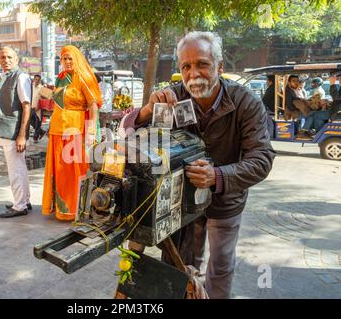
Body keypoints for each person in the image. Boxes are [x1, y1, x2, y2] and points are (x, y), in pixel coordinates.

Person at [121, 31, 275, 298]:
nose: (194, 73)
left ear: (220, 66)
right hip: (181, 201)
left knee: (221, 265)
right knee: (180, 263)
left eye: (202, 63)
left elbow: (261, 160)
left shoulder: (245, 102)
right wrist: (147, 110)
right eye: (186, 66)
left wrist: (217, 176)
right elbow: (128, 133)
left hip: (225, 200)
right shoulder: (172, 97)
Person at [42, 45, 102, 221]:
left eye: (70, 58)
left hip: (75, 130)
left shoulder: (83, 77)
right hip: (57, 130)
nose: (67, 62)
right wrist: (42, 91)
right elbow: (58, 100)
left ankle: (77, 208)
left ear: (76, 59)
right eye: (64, 59)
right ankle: (62, 209)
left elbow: (93, 104)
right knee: (59, 171)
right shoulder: (61, 78)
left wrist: (91, 130)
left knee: (74, 171)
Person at [0, 46, 32, 218]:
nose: (5, 60)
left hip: (14, 132)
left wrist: (22, 135)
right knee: (19, 168)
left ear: (16, 59)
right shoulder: (6, 76)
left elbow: (27, 106)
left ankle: (19, 206)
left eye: (9, 57)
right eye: (2, 57)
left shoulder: (20, 76)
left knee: (15, 170)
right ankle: (24, 200)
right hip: (8, 130)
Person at [96, 74, 114, 141]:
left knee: (102, 131)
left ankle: (103, 147)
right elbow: (112, 96)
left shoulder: (96, 87)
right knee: (108, 130)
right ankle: (111, 146)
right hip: (109, 111)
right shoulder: (108, 85)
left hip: (101, 112)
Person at [30, 74, 43, 143]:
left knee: (38, 123)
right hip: (31, 107)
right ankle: (42, 132)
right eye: (36, 79)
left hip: (39, 108)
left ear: (40, 80)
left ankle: (35, 138)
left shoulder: (42, 88)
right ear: (34, 79)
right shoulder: (31, 87)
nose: (37, 81)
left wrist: (39, 105)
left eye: (38, 80)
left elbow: (44, 98)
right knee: (31, 122)